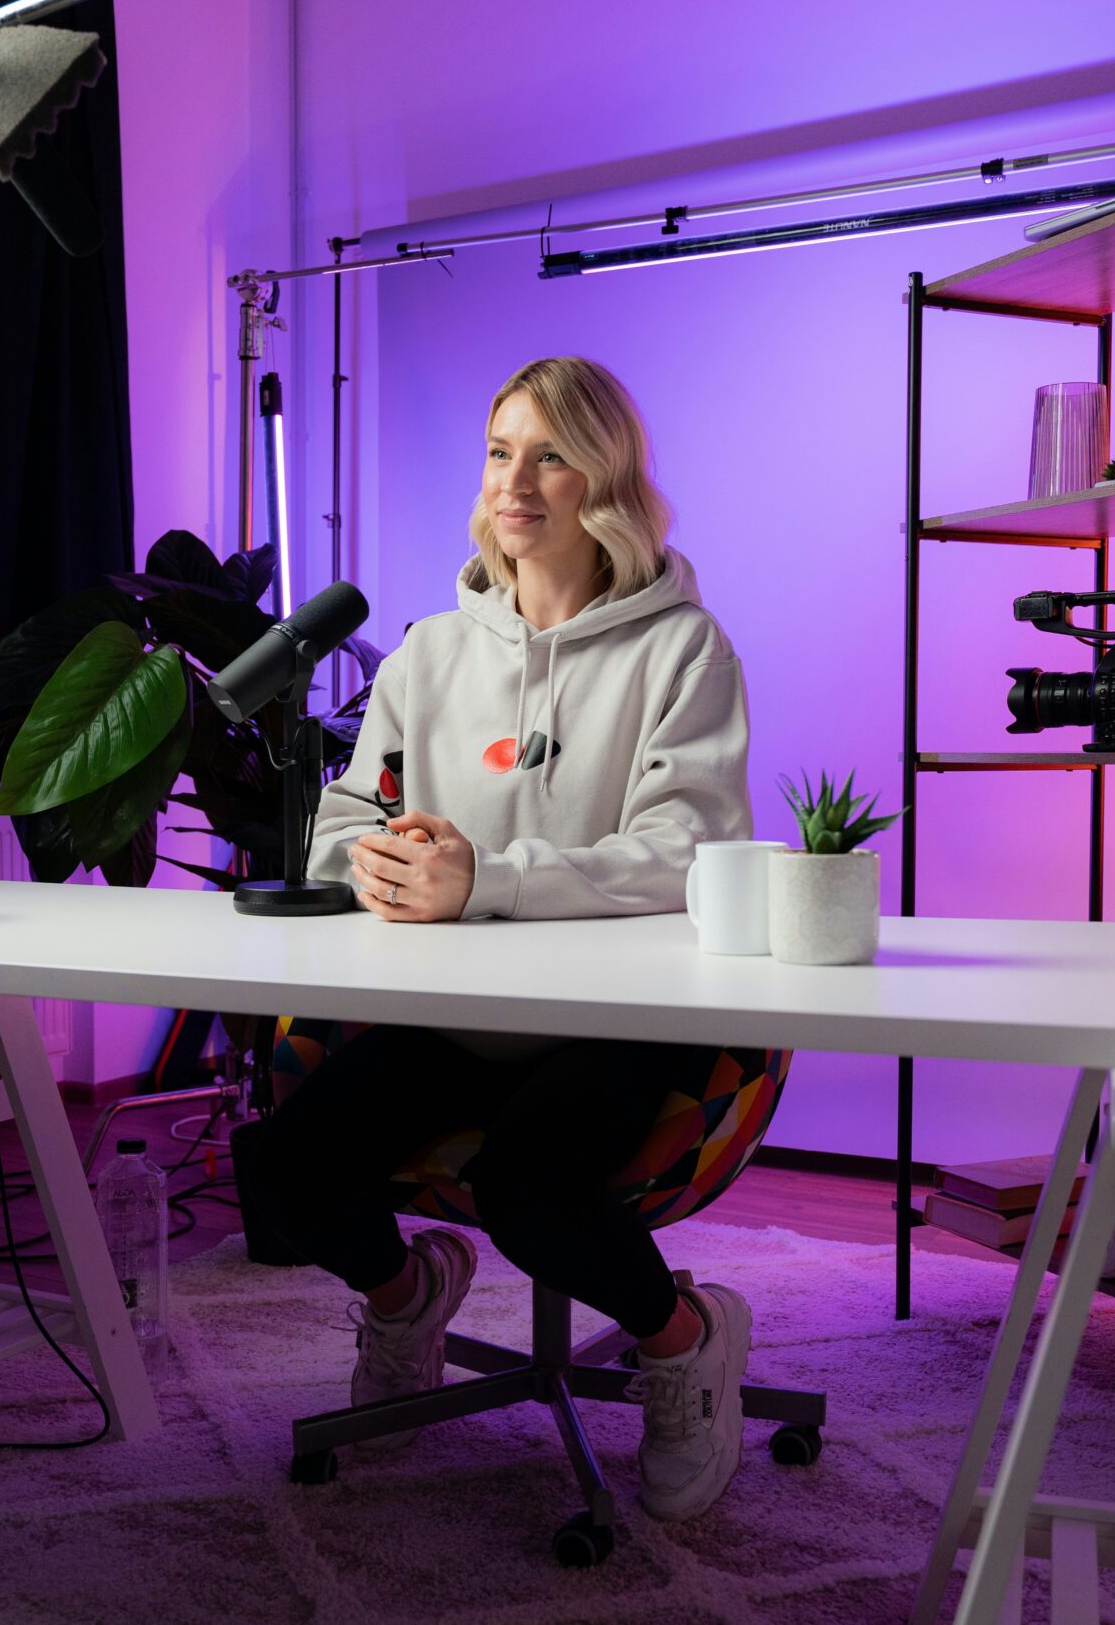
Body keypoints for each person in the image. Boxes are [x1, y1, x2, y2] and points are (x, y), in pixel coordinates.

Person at [251, 355, 757, 1523]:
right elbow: (343, 820)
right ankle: (403, 1301)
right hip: (456, 1017)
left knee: (530, 1193)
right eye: (498, 452)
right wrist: (371, 862)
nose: (514, 481)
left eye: (550, 454)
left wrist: (486, 879)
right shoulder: (431, 651)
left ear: (604, 480)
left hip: (622, 1018)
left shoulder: (682, 649)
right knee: (283, 1167)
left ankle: (686, 1340)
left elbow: (689, 849)